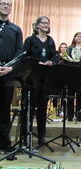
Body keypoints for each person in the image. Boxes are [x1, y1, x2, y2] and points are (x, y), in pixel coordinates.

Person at [22, 15, 58, 146]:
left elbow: (55, 56)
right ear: (37, 25)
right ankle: (26, 136)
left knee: (42, 109)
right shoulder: (30, 40)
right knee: (29, 109)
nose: (45, 25)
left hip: (45, 79)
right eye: (43, 23)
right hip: (31, 80)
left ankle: (41, 136)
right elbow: (24, 56)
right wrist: (36, 63)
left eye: (47, 23)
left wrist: (50, 62)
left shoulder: (50, 40)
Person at [0, 0, 23, 153]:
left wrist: (11, 68)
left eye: (8, 4)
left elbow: (19, 52)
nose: (6, 6)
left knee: (3, 110)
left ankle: (4, 144)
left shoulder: (15, 29)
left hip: (6, 73)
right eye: (3, 4)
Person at [64, 32, 81, 121]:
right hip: (71, 74)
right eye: (77, 36)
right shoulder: (69, 49)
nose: (79, 38)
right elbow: (65, 61)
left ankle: (79, 116)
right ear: (74, 37)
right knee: (70, 96)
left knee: (80, 96)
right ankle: (70, 116)